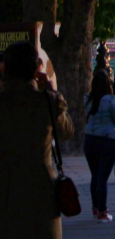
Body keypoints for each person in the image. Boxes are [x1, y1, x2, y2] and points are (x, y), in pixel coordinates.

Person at [0, 41, 74, 238]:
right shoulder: (47, 101)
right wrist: (52, 92)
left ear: (5, 68)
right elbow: (66, 132)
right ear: (35, 69)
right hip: (41, 190)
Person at [84, 69, 115, 222]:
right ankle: (103, 211)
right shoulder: (111, 99)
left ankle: (95, 207)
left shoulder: (87, 99)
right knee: (102, 178)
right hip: (107, 140)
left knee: (95, 176)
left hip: (90, 139)